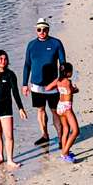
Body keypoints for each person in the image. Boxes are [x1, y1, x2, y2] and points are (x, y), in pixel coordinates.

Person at [22, 19, 69, 151]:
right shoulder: (31, 45)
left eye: (44, 29)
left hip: (53, 85)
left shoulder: (56, 43)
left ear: (48, 30)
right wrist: (24, 84)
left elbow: (63, 64)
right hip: (36, 85)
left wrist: (62, 81)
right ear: (36, 30)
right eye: (39, 29)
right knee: (40, 110)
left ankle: (61, 138)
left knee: (55, 111)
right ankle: (45, 135)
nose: (42, 32)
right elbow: (27, 65)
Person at [51, 61, 81, 163]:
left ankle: (65, 153)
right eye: (71, 71)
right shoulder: (68, 82)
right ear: (68, 73)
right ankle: (65, 152)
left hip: (60, 106)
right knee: (76, 131)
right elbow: (70, 91)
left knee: (66, 129)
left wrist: (59, 89)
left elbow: (47, 87)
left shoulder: (58, 81)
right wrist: (75, 89)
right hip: (67, 107)